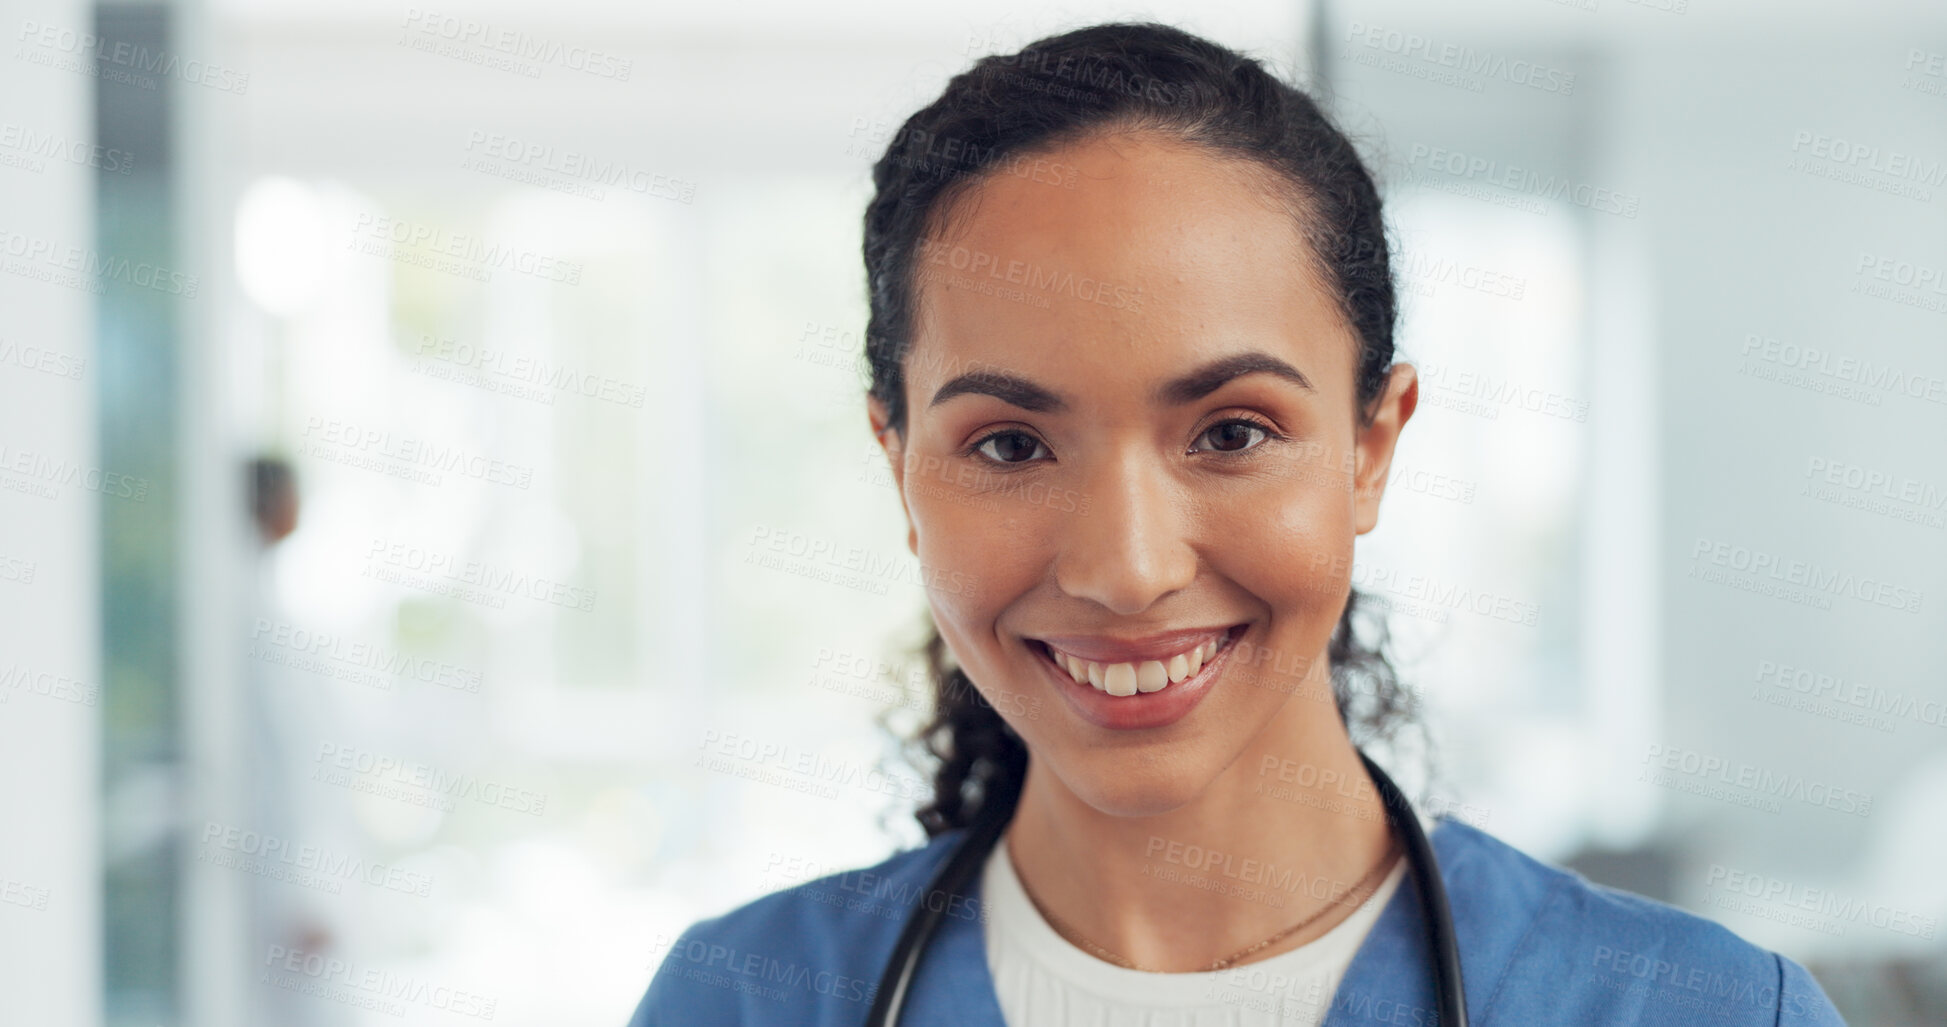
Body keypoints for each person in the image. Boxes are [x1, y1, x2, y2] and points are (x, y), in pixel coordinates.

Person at [629, 21, 1846, 1026]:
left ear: (1373, 443)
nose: (1128, 568)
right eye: (1009, 444)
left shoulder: (1706, 1010)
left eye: (1231, 432)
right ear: (899, 465)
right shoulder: (741, 1000)